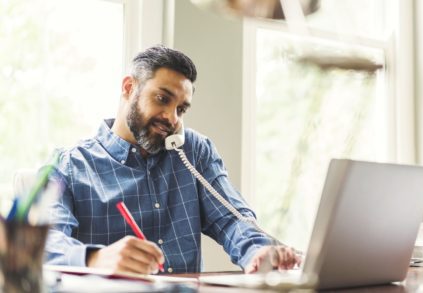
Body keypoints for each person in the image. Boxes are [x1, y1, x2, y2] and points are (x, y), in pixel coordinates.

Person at [45, 45, 300, 274]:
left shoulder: (194, 151)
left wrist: (257, 251)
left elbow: (232, 218)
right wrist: (95, 258)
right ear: (128, 88)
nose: (171, 117)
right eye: (162, 98)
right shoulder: (69, 166)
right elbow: (42, 242)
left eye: (181, 109)